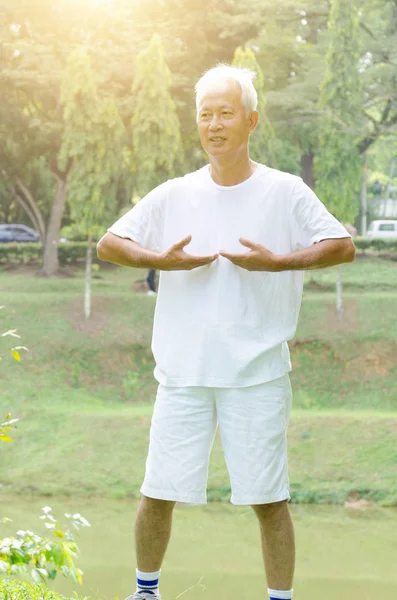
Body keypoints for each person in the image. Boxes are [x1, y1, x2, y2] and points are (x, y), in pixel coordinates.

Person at [97, 64, 355, 600]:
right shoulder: (174, 193)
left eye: (225, 113)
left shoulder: (284, 191)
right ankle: (146, 592)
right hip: (183, 372)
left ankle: (279, 599)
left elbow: (341, 245)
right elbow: (110, 244)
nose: (214, 124)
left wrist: (280, 263)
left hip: (256, 373)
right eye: (205, 114)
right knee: (157, 491)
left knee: (268, 500)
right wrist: (159, 261)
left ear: (251, 120)